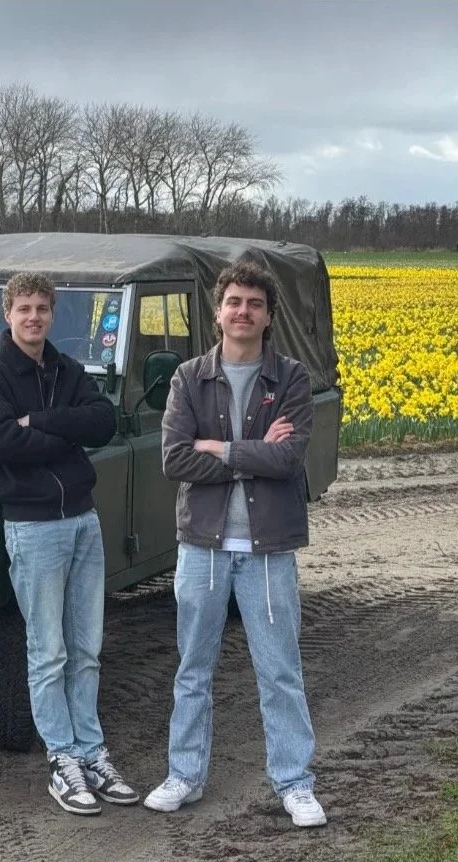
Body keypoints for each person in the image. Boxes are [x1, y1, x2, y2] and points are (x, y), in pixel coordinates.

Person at [143, 260, 327, 828]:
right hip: (202, 545)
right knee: (193, 668)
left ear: (268, 316)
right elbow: (175, 458)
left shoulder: (291, 378)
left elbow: (288, 457)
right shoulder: (188, 378)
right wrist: (251, 451)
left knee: (279, 671)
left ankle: (295, 784)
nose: (242, 311)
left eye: (254, 303)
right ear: (218, 311)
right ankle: (184, 775)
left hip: (269, 549)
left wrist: (219, 448)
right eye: (233, 302)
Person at [0, 271, 138, 816]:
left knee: (86, 649)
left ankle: (93, 754)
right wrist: (66, 438)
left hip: (83, 521)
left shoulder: (66, 369)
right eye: (24, 308)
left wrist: (40, 421)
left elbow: (103, 421)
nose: (34, 317)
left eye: (42, 308)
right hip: (34, 527)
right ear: (7, 314)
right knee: (48, 652)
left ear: (52, 313)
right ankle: (63, 762)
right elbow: (0, 443)